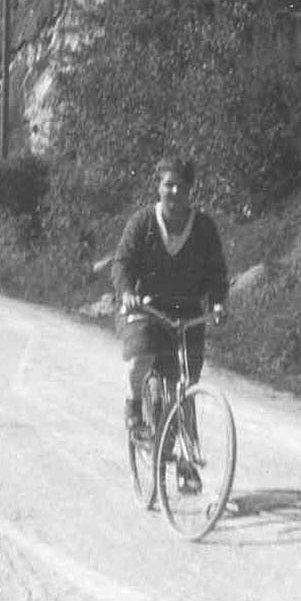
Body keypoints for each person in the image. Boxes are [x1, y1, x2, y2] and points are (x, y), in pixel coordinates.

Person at [113, 156, 230, 438]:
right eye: (169, 185)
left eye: (182, 186)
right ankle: (133, 404)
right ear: (159, 187)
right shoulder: (143, 223)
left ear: (191, 190)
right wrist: (127, 291)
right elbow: (122, 263)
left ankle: (186, 460)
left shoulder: (203, 228)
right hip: (146, 308)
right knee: (141, 356)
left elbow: (216, 271)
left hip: (187, 312)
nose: (175, 192)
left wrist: (217, 301)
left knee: (186, 386)